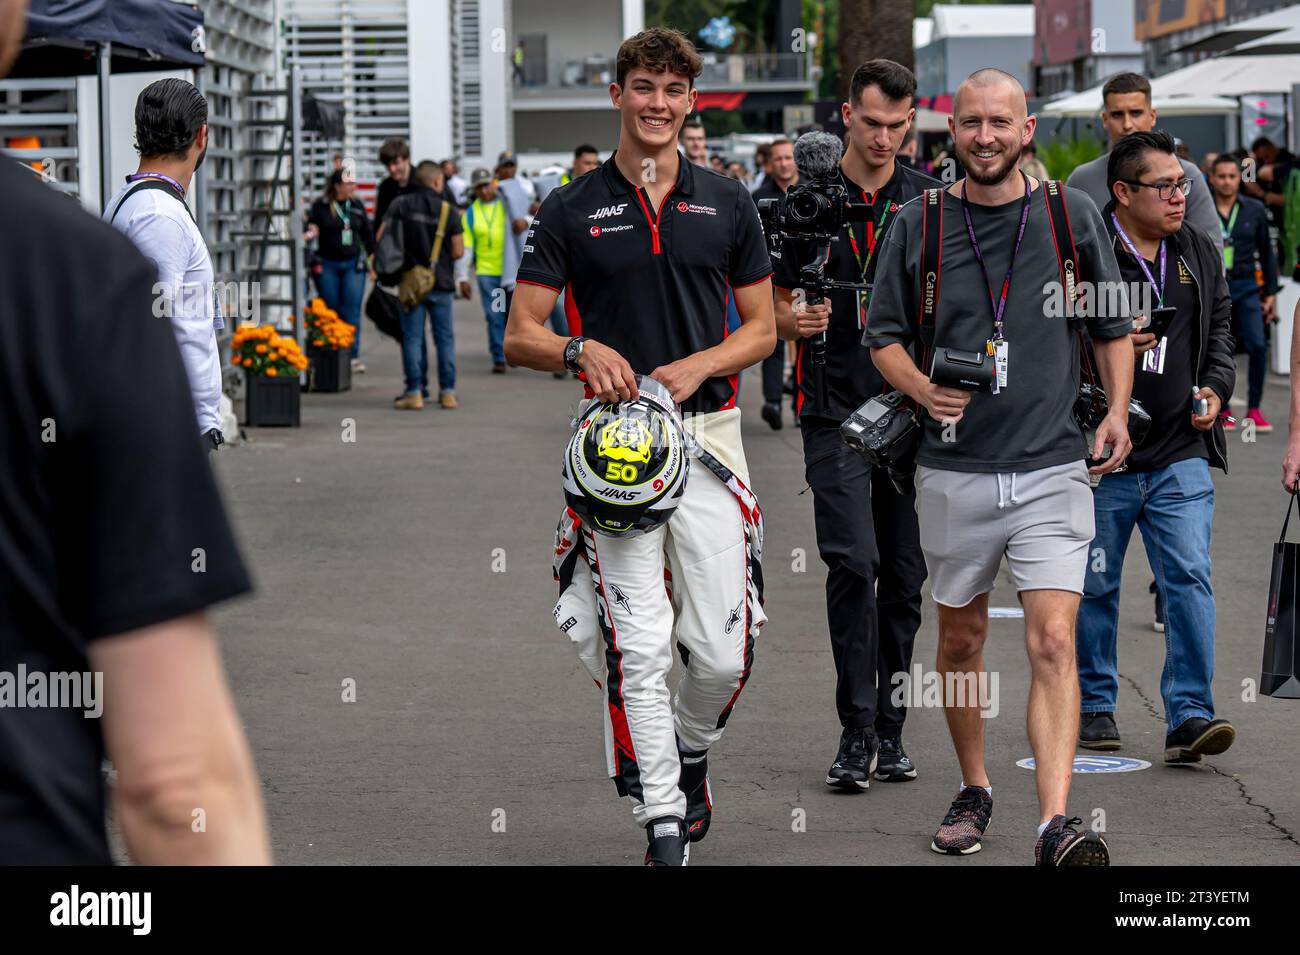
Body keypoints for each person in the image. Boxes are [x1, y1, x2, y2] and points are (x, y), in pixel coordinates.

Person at [0, 0, 268, 864]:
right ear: (199, 139)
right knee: (142, 624)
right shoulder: (109, 246)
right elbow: (175, 780)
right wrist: (201, 415)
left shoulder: (126, 223)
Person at [503, 26, 775, 866]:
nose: (659, 104)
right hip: (615, 453)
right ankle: (662, 819)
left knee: (722, 655)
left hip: (709, 441)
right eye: (644, 87)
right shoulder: (571, 206)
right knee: (641, 642)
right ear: (617, 94)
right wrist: (578, 350)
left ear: (691, 101)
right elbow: (522, 332)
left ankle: (689, 752)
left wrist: (704, 361)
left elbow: (764, 329)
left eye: (673, 90)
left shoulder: (727, 201)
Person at [866, 68, 1135, 865]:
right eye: (972, 122)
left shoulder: (1068, 214)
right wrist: (923, 390)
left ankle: (1055, 822)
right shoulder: (918, 223)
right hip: (954, 470)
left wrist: (1116, 410)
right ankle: (976, 784)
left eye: (1000, 122)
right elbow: (882, 336)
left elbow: (1113, 324)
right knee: (960, 643)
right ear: (954, 131)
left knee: (1054, 639)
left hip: (1053, 464)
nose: (985, 136)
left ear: (1027, 131)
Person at [773, 61, 938, 792]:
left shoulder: (933, 202)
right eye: (870, 122)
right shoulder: (803, 203)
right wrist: (792, 318)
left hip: (913, 415)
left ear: (911, 123)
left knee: (904, 576)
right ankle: (856, 728)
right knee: (854, 564)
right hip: (832, 410)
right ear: (846, 114)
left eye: (897, 125)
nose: (883, 137)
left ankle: (893, 730)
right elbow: (762, 307)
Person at [1075, 130, 1237, 764]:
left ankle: (1190, 714)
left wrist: (1217, 390)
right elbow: (1050, 335)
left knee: (1189, 578)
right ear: (1122, 192)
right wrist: (1106, 350)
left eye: (1182, 184)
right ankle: (1094, 706)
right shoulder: (1088, 252)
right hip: (1103, 457)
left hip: (1180, 451)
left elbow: (1219, 328)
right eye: (1165, 186)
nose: (1179, 196)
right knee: (1094, 584)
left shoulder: (1195, 248)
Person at [103, 78, 225, 457]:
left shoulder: (138, 201)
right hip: (168, 426)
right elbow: (151, 330)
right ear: (201, 136)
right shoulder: (159, 215)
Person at [1067, 73, 1222, 258]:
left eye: (1135, 113)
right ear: (1105, 120)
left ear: (1152, 115)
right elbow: (1068, 251)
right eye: (1117, 115)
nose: (1127, 124)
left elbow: (1212, 253)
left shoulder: (1187, 175)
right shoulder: (1082, 179)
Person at [380, 160, 463, 410]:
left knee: (413, 338)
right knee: (445, 339)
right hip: (442, 282)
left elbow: (382, 238)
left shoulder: (400, 205)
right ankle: (448, 393)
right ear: (438, 181)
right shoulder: (448, 210)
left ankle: (414, 392)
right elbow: (459, 250)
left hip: (410, 283)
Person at [1209, 153, 1279, 432]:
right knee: (1220, 348)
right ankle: (1223, 408)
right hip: (1216, 288)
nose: (1227, 182)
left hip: (1247, 286)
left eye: (1232, 176)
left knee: (1257, 345)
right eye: (1221, 177)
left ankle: (1254, 408)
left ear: (1240, 178)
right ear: (1212, 178)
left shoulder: (1254, 209)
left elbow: (1267, 252)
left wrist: (1270, 293)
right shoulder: (1202, 208)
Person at [305, 169, 375, 372]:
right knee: (331, 308)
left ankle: (352, 355)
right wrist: (311, 231)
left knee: (351, 311)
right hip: (328, 264)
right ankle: (333, 353)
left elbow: (367, 234)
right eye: (348, 183)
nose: (352, 187)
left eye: (354, 183)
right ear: (337, 186)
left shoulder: (356, 206)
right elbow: (312, 225)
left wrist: (372, 261)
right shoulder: (322, 205)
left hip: (353, 264)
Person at [752, 136, 798, 430]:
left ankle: (799, 402)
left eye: (788, 157)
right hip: (769, 276)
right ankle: (773, 401)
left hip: (802, 278)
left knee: (803, 338)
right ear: (770, 163)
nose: (783, 163)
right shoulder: (758, 197)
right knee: (773, 338)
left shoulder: (809, 192)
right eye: (778, 158)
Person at [457, 168, 515, 374]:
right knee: (495, 315)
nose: (484, 190)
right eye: (479, 187)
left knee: (512, 315)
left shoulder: (506, 205)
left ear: (493, 184)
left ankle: (512, 350)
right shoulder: (472, 212)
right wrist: (463, 277)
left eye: (487, 185)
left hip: (512, 271)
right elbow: (466, 248)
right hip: (489, 273)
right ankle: (499, 357)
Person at [374, 137, 416, 226]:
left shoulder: (423, 182)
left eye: (396, 163)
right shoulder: (385, 187)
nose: (392, 169)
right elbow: (379, 221)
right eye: (387, 165)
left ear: (407, 159)